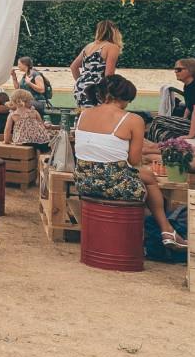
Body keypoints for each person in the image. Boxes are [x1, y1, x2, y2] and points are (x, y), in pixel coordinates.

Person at [71, 75, 185, 251]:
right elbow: (133, 160)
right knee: (149, 178)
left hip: (83, 180)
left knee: (145, 177)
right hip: (112, 183)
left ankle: (164, 230)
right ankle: (166, 229)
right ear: (124, 98)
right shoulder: (132, 120)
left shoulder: (84, 114)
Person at [70, 20, 123, 109]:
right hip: (97, 88)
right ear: (114, 32)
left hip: (80, 87)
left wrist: (82, 81)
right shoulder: (112, 47)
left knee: (83, 116)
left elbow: (73, 67)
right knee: (100, 118)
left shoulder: (89, 46)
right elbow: (109, 75)